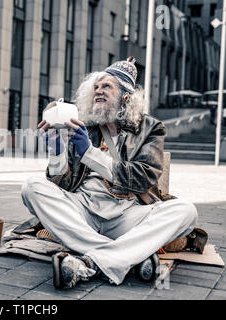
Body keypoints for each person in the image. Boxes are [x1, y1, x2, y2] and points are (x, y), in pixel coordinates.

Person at [21, 58, 198, 288]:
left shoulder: (151, 128)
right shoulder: (84, 127)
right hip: (83, 210)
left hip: (127, 213)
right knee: (32, 186)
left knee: (186, 211)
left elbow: (143, 176)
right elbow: (63, 185)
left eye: (106, 86)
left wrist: (90, 153)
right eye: (95, 87)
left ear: (126, 95)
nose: (98, 91)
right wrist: (56, 152)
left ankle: (89, 260)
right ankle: (125, 256)